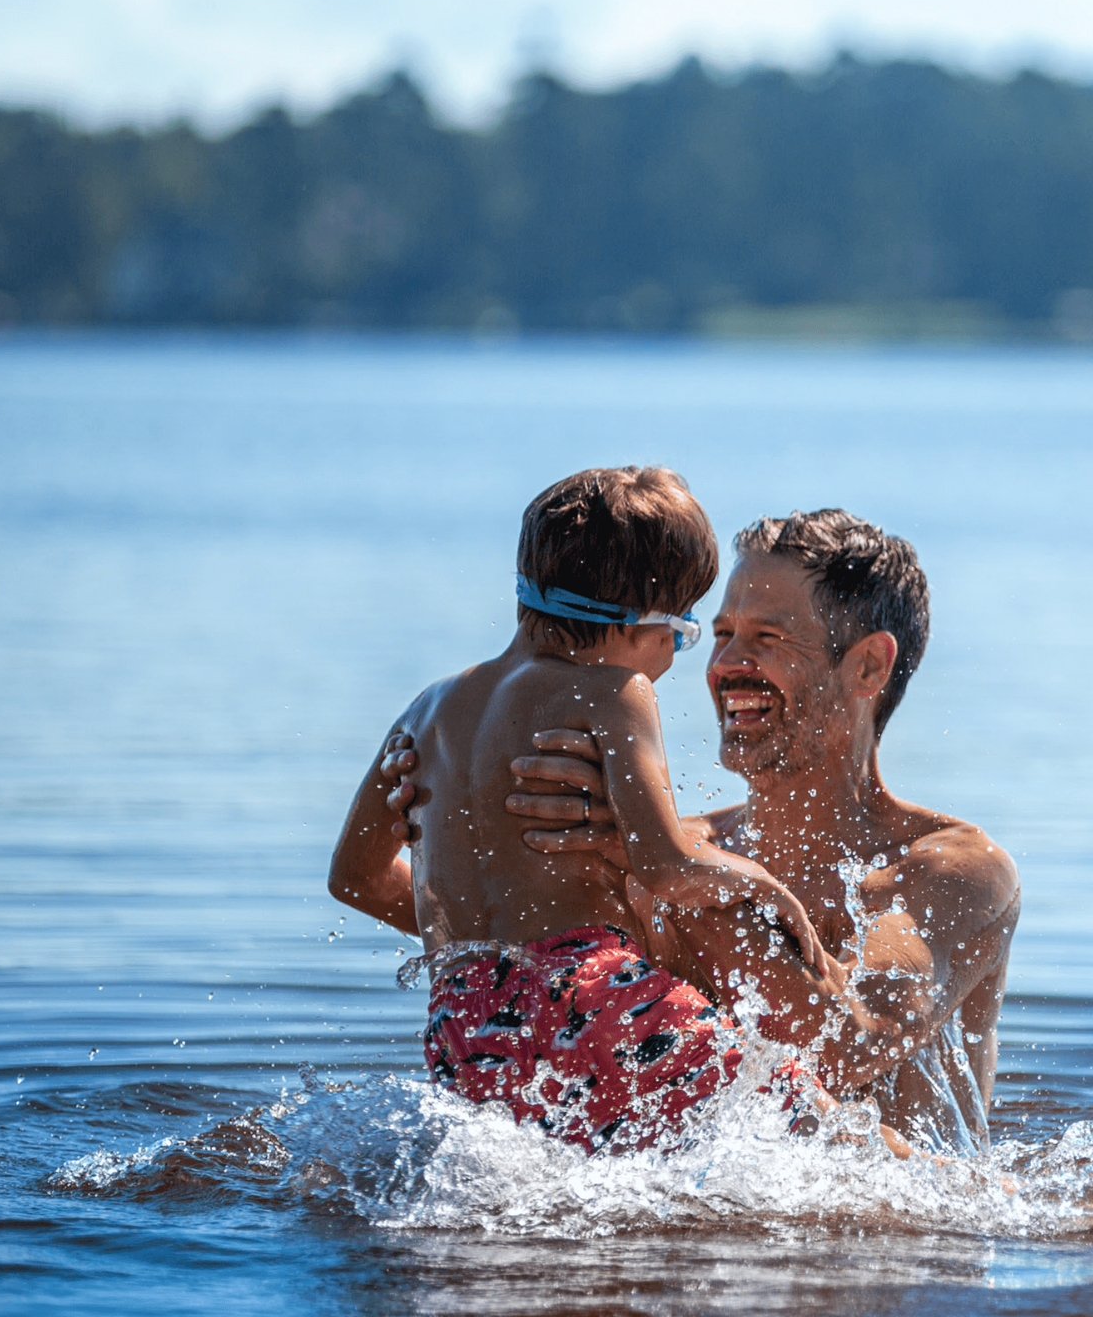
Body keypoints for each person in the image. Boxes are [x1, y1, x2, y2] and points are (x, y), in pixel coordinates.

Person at [391, 509, 1021, 1149]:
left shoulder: (951, 868)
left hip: (906, 1234)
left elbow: (852, 1043)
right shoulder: (661, 848)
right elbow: (513, 941)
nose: (725, 665)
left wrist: (655, 872)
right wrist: (440, 816)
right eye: (720, 634)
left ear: (868, 667)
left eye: (767, 637)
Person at [325, 467, 844, 1153]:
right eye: (683, 633)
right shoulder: (615, 689)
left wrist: (484, 944)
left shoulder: (425, 712)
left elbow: (352, 879)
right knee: (814, 1119)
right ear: (643, 624)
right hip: (595, 994)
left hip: (464, 1020)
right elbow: (666, 863)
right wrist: (768, 888)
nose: (674, 656)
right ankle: (973, 1194)